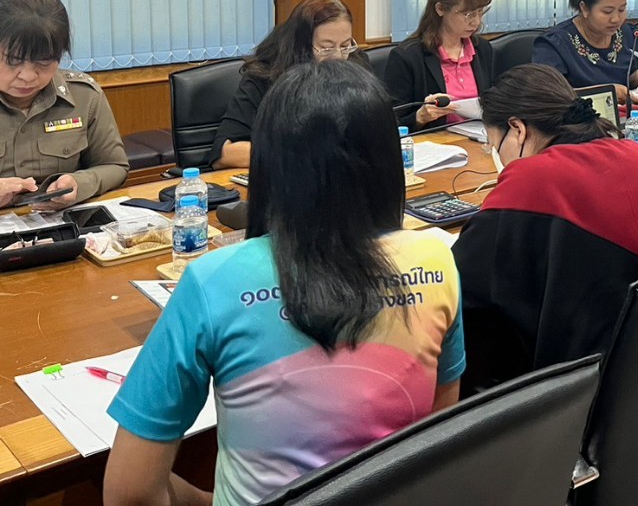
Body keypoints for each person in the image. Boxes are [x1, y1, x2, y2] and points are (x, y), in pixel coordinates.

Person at [104, 61, 464, 506]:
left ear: (269, 166)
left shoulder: (213, 280)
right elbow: (439, 438)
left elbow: (129, 492)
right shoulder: (437, 261)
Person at [451, 64, 638, 389]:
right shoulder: (633, 154)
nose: (499, 156)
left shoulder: (531, 180)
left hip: (580, 387)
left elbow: (458, 285)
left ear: (518, 129)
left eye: (496, 145)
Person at [0, 0, 127, 209]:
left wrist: (79, 184)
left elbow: (114, 166)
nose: (28, 76)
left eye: (43, 62)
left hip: (61, 222)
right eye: (13, 61)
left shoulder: (84, 96)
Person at [211, 0, 364, 169]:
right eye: (326, 48)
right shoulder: (264, 77)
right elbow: (224, 154)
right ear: (302, 46)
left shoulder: (356, 65)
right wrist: (298, 154)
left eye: (345, 46)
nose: (338, 57)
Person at [385, 0, 496, 131]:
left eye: (480, 12)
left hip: (479, 139)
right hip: (435, 142)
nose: (476, 21)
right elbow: (389, 123)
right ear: (440, 9)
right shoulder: (407, 57)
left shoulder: (482, 49)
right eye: (468, 14)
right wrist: (420, 117)